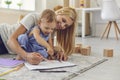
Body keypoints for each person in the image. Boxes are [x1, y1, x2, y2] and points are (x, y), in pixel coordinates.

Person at [6, 6, 77, 65]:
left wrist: (57, 52)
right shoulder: (34, 17)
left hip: (8, 50)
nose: (62, 25)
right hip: (2, 37)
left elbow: (48, 47)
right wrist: (26, 56)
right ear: (59, 13)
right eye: (63, 20)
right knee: (23, 37)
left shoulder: (52, 29)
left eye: (66, 26)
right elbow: (10, 41)